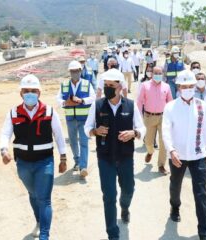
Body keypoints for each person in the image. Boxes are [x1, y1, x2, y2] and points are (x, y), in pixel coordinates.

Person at [0, 74, 67, 240]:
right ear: (21, 93)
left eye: (33, 90)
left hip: (45, 162)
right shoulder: (13, 113)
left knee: (44, 199)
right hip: (23, 163)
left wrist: (63, 158)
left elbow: (58, 135)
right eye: (26, 90)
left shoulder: (49, 112)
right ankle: (38, 220)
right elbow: (5, 133)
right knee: (33, 194)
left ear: (39, 93)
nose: (30, 93)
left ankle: (45, 235)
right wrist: (4, 150)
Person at [84, 68, 146, 240]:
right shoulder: (97, 105)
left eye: (111, 85)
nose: (108, 88)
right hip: (105, 158)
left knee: (128, 189)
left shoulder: (130, 105)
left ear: (120, 87)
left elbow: (142, 128)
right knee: (109, 195)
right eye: (106, 85)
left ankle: (125, 207)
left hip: (125, 157)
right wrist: (95, 131)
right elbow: (86, 128)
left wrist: (134, 133)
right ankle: (112, 233)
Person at [162, 70, 206, 240]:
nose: (189, 89)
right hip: (177, 156)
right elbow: (166, 131)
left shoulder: (201, 105)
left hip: (198, 155)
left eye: (191, 86)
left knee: (200, 193)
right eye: (185, 86)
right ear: (179, 87)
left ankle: (204, 233)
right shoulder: (171, 107)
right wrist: (171, 150)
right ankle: (175, 206)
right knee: (175, 186)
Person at [57, 60, 96, 177]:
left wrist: (82, 100)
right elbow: (58, 99)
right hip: (70, 119)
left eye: (77, 71)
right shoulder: (64, 85)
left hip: (84, 119)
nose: (75, 73)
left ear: (80, 71)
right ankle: (77, 162)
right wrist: (65, 103)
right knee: (73, 142)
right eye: (72, 71)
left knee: (84, 142)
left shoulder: (86, 84)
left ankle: (83, 167)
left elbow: (93, 97)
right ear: (70, 72)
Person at [138, 66, 173, 175]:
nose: (158, 75)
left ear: (162, 74)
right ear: (152, 74)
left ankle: (161, 165)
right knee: (148, 141)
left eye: (160, 73)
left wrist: (172, 117)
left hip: (163, 117)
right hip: (149, 117)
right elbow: (139, 102)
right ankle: (150, 151)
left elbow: (170, 102)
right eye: (156, 73)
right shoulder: (145, 85)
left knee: (163, 143)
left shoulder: (166, 87)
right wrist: (138, 117)